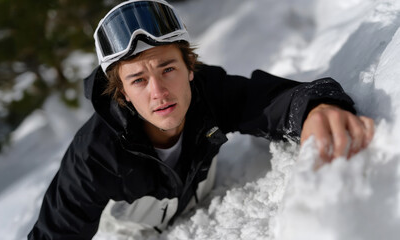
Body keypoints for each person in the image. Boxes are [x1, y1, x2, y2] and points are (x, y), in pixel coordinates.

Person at [28, 0, 374, 239]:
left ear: (190, 68)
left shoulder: (208, 91)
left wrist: (315, 108)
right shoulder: (93, 158)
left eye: (168, 69)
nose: (159, 92)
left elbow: (267, 99)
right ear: (122, 93)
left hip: (195, 195)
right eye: (138, 80)